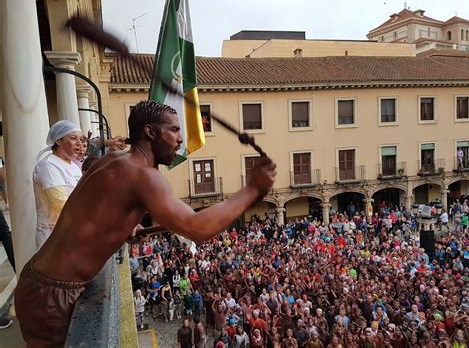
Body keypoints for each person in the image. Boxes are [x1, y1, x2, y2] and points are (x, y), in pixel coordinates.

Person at [15, 101, 276, 347]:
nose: (180, 139)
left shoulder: (114, 161)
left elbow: (94, 212)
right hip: (51, 295)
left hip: (39, 283)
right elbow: (197, 228)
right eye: (173, 130)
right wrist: (252, 189)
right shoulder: (143, 175)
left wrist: (121, 227)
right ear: (150, 132)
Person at [32, 120, 83, 249]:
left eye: (80, 139)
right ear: (58, 141)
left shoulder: (73, 166)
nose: (79, 143)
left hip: (74, 230)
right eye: (73, 138)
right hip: (53, 235)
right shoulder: (48, 165)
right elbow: (60, 202)